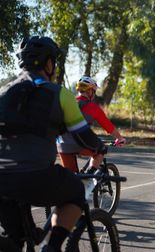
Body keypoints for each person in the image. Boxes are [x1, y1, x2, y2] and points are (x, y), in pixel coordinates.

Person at [0, 36, 105, 252]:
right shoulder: (59, 94)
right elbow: (83, 137)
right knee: (76, 191)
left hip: (1, 178)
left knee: (17, 239)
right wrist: (99, 148)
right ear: (48, 63)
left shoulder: (3, 92)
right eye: (54, 62)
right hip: (36, 175)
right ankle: (53, 247)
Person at [57, 76, 126, 174]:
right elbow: (108, 126)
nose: (94, 95)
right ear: (90, 91)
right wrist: (119, 138)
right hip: (80, 143)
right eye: (94, 92)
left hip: (62, 145)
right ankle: (89, 176)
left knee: (72, 179)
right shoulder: (93, 107)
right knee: (101, 149)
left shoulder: (68, 103)